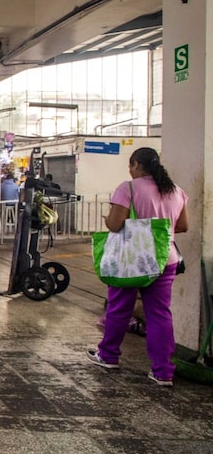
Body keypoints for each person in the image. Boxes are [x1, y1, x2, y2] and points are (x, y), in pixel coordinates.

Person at [86, 147, 188, 386]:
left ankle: (109, 355)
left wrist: (111, 220)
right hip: (165, 258)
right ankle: (163, 371)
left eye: (130, 166)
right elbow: (182, 226)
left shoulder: (128, 188)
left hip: (131, 259)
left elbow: (114, 224)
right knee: (160, 314)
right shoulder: (176, 191)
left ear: (135, 165)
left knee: (120, 308)